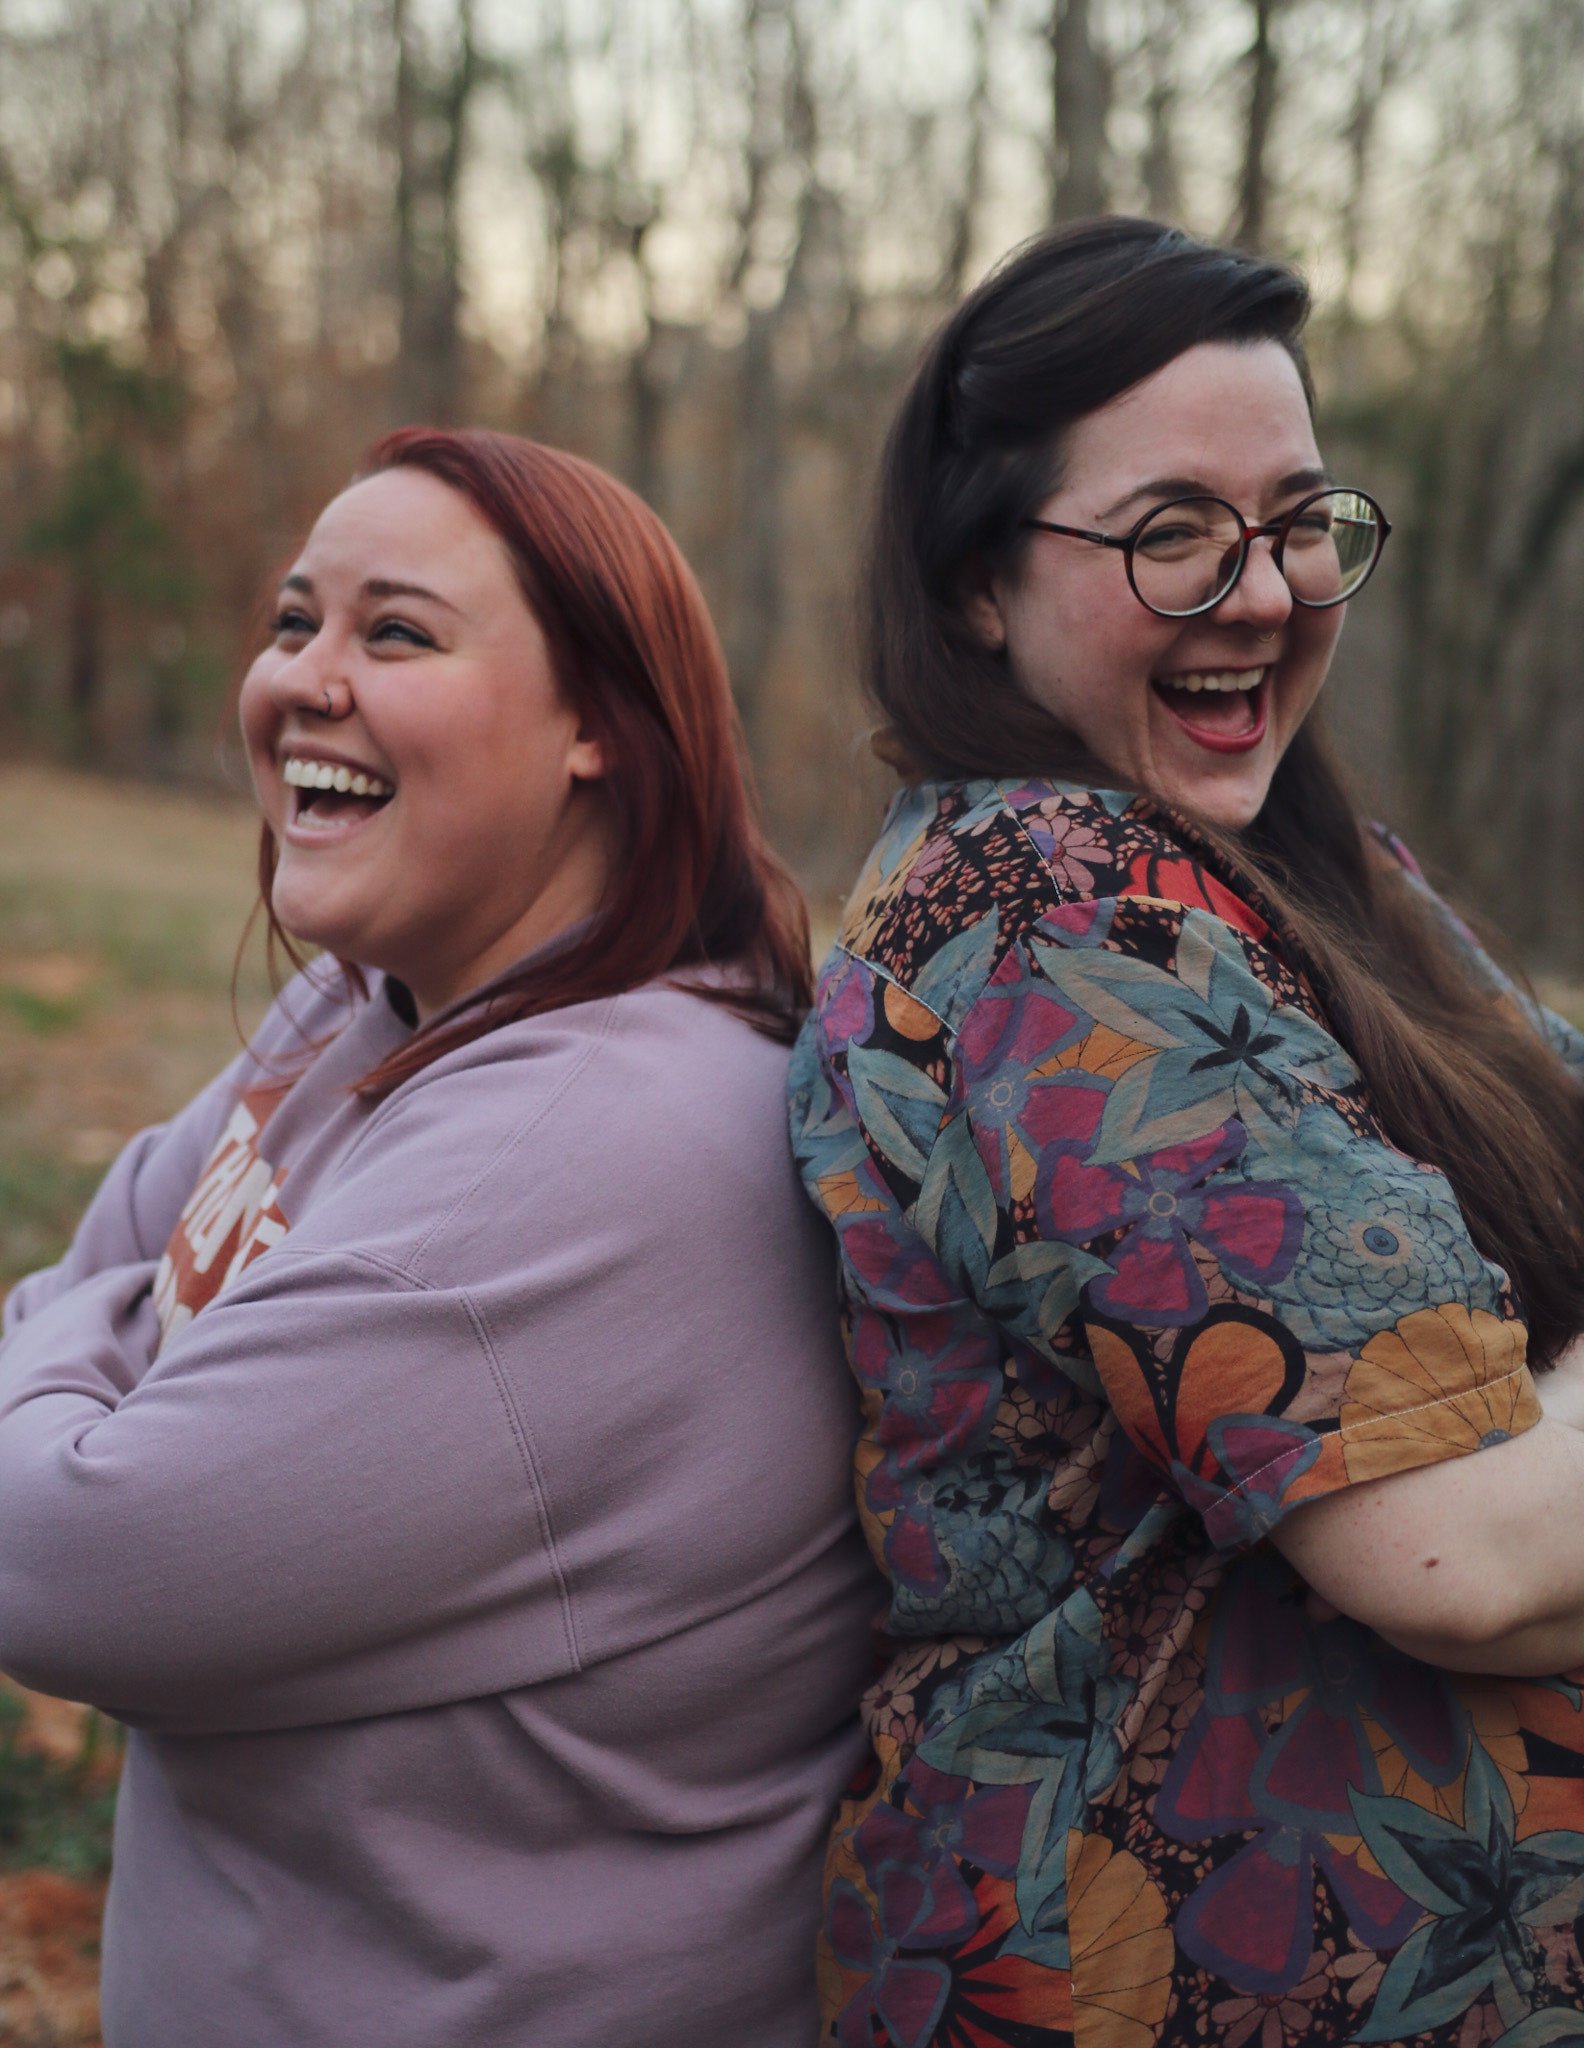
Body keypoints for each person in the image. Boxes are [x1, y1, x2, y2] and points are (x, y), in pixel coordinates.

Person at [788, 219, 1584, 2047]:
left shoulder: (1306, 867)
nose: (1264, 590)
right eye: (1170, 532)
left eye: (1302, 520)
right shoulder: (1044, 918)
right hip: (1182, 1957)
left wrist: (1568, 1457)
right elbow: (1469, 1557)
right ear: (981, 581)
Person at [0, 426, 880, 2048]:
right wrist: (104, 1330)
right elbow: (99, 1263)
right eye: (291, 623)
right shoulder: (370, 1007)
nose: (301, 681)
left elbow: (58, 1561)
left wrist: (93, 1337)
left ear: (598, 731)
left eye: (394, 632)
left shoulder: (586, 1156)